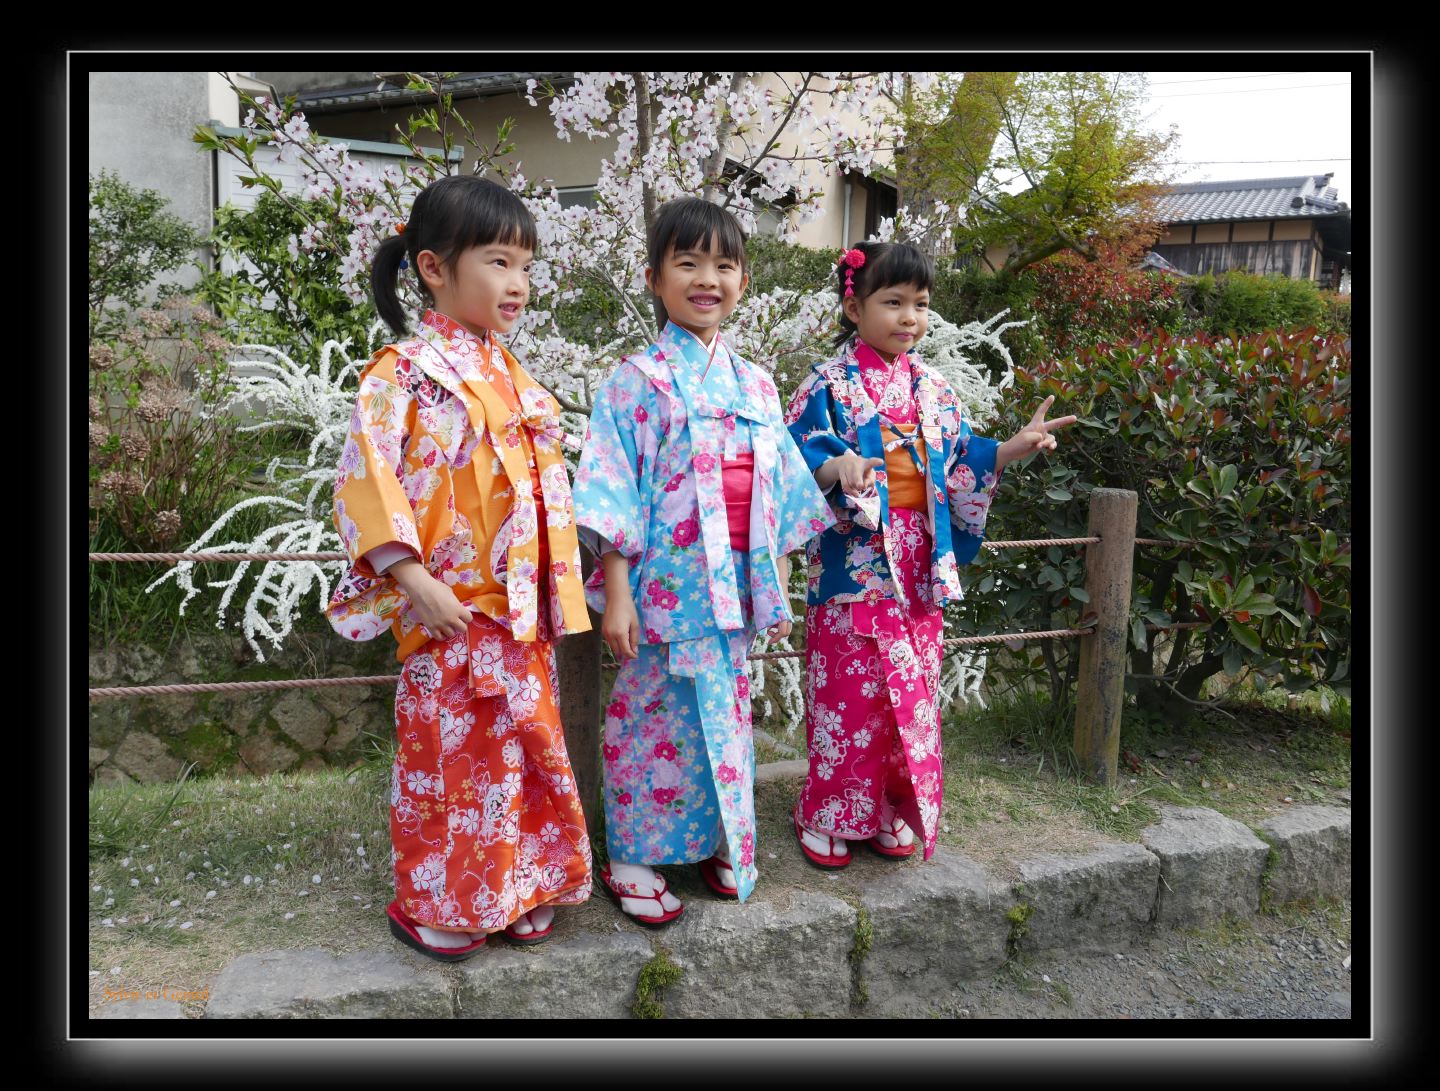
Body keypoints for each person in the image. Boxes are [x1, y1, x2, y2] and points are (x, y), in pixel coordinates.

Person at [325, 176, 593, 959]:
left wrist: (555, 585)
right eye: (501, 261)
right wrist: (412, 577)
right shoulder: (398, 372)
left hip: (517, 614)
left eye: (527, 267)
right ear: (436, 268)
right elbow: (369, 477)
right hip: (446, 607)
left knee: (523, 751)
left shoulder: (517, 379)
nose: (519, 284)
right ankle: (433, 898)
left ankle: (517, 885)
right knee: (448, 758)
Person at [571, 197, 833, 923]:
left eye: (723, 264)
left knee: (724, 718)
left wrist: (777, 582)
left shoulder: (756, 384)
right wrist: (616, 592)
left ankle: (721, 836)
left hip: (737, 591)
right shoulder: (635, 379)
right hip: (664, 588)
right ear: (656, 277)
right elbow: (612, 489)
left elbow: (776, 492)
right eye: (687, 262)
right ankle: (633, 852)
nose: (706, 278)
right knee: (650, 719)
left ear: (743, 279)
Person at [783, 240, 1075, 869]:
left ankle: (887, 807)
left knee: (905, 698)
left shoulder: (934, 388)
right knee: (849, 695)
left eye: (919, 304)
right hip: (852, 566)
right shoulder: (826, 383)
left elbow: (962, 460)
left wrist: (1012, 448)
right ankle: (832, 812)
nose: (909, 317)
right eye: (893, 302)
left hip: (916, 567)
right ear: (853, 306)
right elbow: (795, 456)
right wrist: (839, 465)